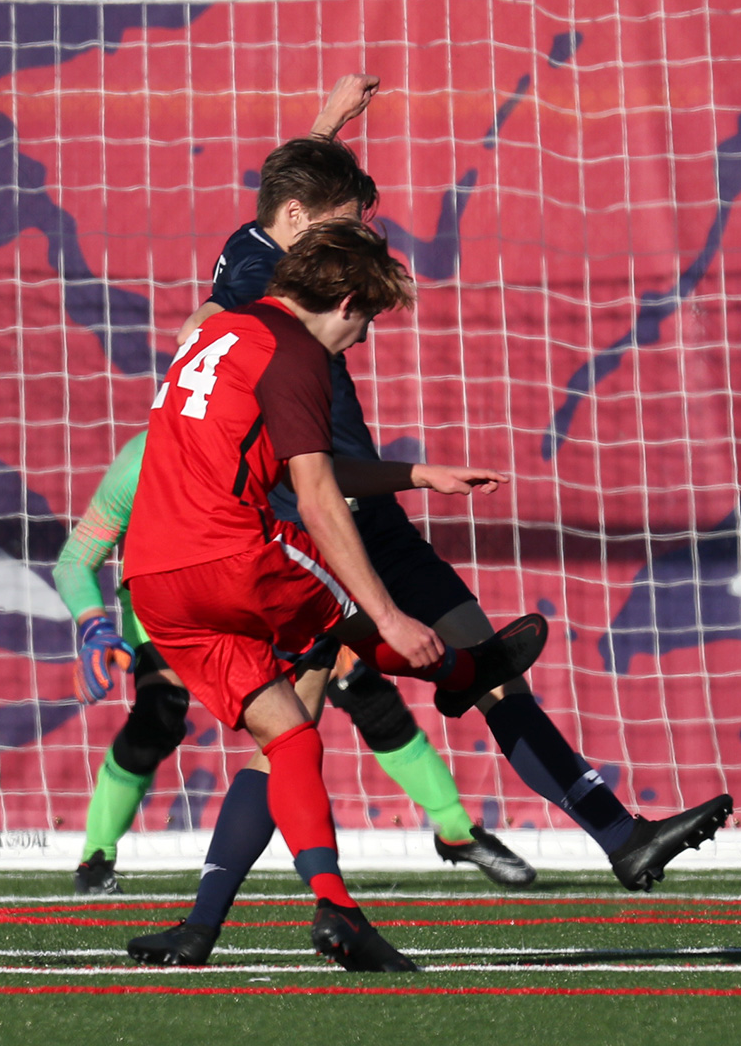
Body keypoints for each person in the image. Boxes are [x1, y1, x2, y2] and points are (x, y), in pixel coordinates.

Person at [174, 77, 732, 892]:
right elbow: (208, 324)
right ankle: (208, 909)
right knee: (294, 721)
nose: (358, 248)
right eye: (346, 227)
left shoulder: (266, 239)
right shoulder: (259, 282)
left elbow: (291, 196)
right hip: (312, 523)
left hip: (371, 506)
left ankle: (622, 837)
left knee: (485, 665)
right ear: (299, 223)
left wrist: (326, 124)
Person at [122, 218, 548, 972]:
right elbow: (316, 497)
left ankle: (283, 919)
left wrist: (416, 476)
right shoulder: (295, 355)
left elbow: (290, 467)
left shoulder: (215, 330)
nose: (363, 340)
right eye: (369, 321)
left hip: (155, 580)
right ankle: (461, 675)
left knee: (289, 739)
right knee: (352, 610)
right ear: (346, 301)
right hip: (235, 559)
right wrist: (387, 615)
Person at [56, 430, 537, 895]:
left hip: (257, 583)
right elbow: (77, 558)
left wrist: (419, 475)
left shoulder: (258, 439)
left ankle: (452, 829)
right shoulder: (147, 457)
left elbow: (324, 483)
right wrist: (93, 625)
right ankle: (98, 856)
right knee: (162, 714)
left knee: (356, 687)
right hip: (172, 601)